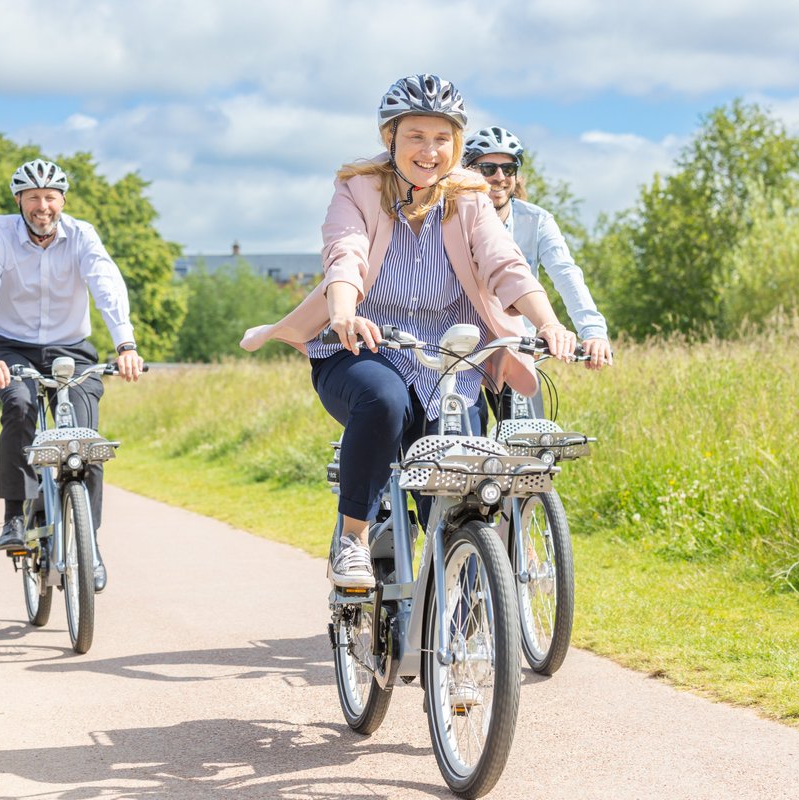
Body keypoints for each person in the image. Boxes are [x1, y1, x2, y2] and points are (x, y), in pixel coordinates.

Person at [240, 75, 576, 588]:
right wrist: (345, 310)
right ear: (390, 138)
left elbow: (505, 263)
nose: (429, 150)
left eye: (442, 138)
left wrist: (549, 321)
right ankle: (353, 538)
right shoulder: (357, 190)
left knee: (457, 496)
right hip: (362, 346)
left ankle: (464, 609)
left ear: (457, 145)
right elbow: (344, 256)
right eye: (416, 136)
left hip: (450, 365)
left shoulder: (470, 197)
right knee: (385, 401)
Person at [0, 158, 145, 593]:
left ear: (62, 201)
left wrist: (126, 344)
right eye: (33, 198)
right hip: (11, 345)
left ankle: (90, 546)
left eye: (50, 197)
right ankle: (14, 514)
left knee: (85, 440)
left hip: (70, 348)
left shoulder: (81, 235)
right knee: (20, 405)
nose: (42, 206)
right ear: (19, 201)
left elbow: (106, 284)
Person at [463, 126, 611, 422]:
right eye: (488, 168)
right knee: (464, 449)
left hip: (517, 345)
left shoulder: (537, 220)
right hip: (462, 348)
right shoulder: (453, 216)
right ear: (468, 172)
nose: (499, 177)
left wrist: (592, 331)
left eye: (508, 168)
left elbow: (566, 274)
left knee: (530, 451)